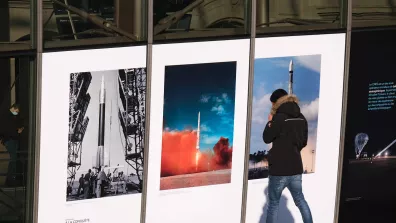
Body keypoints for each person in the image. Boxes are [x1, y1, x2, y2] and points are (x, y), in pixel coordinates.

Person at [262, 89, 313, 223]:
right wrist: (293, 150)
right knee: (301, 200)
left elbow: (267, 138)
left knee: (273, 205)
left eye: (272, 103)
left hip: (279, 168)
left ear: (276, 102)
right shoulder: (301, 117)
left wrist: (269, 122)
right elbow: (303, 142)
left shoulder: (278, 118)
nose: (272, 106)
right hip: (296, 167)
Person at [0, 104, 24, 186]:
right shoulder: (7, 116)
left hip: (9, 139)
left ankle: (10, 178)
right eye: (16, 111)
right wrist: (17, 131)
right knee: (13, 159)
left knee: (13, 159)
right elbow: (8, 130)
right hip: (10, 140)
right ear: (14, 108)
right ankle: (11, 179)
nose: (16, 113)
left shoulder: (7, 116)